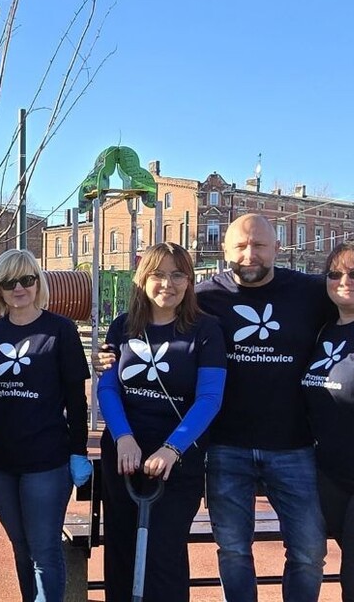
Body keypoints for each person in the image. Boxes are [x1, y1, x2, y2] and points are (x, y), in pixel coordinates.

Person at [198, 213, 332, 601]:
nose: (249, 254)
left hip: (294, 445)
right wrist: (114, 351)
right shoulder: (204, 297)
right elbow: (153, 326)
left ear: (277, 247)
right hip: (226, 446)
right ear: (225, 251)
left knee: (309, 552)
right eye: (240, 246)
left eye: (258, 245)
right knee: (233, 551)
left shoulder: (309, 291)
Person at [97, 242, 226, 601]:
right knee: (121, 552)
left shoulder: (206, 330)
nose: (167, 283)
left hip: (176, 460)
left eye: (177, 275)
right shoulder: (123, 326)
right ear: (142, 279)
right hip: (124, 456)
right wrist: (123, 437)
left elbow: (209, 398)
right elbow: (108, 387)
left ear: (189, 281)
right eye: (158, 274)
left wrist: (173, 448)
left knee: (163, 555)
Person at [0, 248, 90, 602]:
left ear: (38, 282)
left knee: (43, 549)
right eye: (9, 282)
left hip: (47, 459)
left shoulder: (60, 331)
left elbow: (76, 399)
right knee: (21, 546)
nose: (19, 288)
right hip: (0, 460)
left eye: (27, 279)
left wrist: (78, 451)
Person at [302, 241, 354, 601]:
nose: (343, 281)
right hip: (330, 476)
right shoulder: (324, 331)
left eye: (353, 274)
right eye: (334, 274)